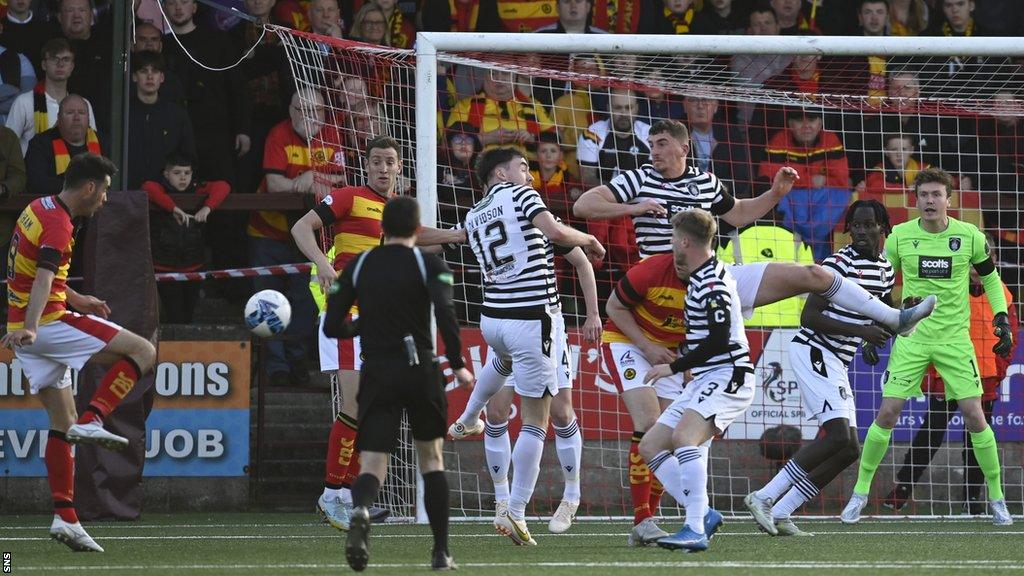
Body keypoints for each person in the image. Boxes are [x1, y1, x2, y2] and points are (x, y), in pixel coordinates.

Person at [572, 119, 935, 338]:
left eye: (662, 144)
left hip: (714, 277)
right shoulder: (639, 179)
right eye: (651, 144)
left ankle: (893, 318)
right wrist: (634, 207)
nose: (654, 151)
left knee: (813, 273)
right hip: (665, 280)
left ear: (684, 147)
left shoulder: (705, 182)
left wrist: (776, 192)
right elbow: (583, 205)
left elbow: (740, 215)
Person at [291, 135, 464, 531]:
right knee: (354, 405)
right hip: (346, 313)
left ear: (400, 167)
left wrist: (458, 235)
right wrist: (321, 262)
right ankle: (332, 495)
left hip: (376, 321)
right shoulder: (350, 197)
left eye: (390, 161)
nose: (383, 168)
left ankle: (348, 496)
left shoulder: (397, 214)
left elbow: (419, 237)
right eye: (377, 161)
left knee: (369, 408)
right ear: (367, 166)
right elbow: (302, 228)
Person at [841, 167, 1015, 527]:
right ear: (915, 200)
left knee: (974, 416)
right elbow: (878, 282)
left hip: (954, 341)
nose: (930, 201)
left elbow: (992, 281)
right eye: (924, 195)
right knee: (886, 414)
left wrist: (1001, 318)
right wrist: (873, 325)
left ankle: (997, 499)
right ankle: (859, 494)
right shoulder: (900, 237)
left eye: (937, 195)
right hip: (912, 339)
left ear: (948, 200)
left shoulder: (969, 237)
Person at [2, 153, 157, 552]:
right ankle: (97, 417)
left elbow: (37, 269)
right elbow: (42, 278)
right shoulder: (60, 222)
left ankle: (65, 517)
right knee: (143, 351)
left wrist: (76, 297)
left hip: (22, 326)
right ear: (89, 188)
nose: (105, 200)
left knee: (61, 423)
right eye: (104, 191)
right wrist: (36, 326)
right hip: (46, 326)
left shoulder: (39, 208)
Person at [447, 154, 601, 534]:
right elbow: (564, 237)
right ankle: (510, 506)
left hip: (496, 319)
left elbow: (578, 262)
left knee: (560, 411)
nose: (529, 175)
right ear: (501, 173)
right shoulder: (525, 201)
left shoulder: (474, 215)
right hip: (532, 321)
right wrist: (590, 235)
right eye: (522, 167)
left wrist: (592, 314)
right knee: (529, 418)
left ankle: (570, 496)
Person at [322, 196, 475, 571]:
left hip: (378, 371)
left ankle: (359, 508)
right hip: (420, 369)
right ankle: (441, 552)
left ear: (382, 228)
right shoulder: (430, 264)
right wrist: (457, 365)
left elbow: (332, 326)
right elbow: (446, 316)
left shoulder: (359, 265)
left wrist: (361, 326)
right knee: (432, 460)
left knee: (373, 461)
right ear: (416, 229)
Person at [744, 200, 895, 537]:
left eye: (867, 224)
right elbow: (809, 317)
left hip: (837, 359)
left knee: (849, 449)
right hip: (813, 350)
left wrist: (871, 341)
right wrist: (862, 333)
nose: (859, 231)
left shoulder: (886, 269)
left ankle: (782, 512)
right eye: (855, 225)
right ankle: (764, 496)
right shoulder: (837, 263)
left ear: (882, 227)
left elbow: (880, 313)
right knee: (839, 436)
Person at [637, 208, 754, 553]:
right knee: (651, 446)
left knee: (685, 438)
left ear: (685, 240)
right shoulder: (704, 275)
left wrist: (673, 367)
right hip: (705, 378)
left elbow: (720, 339)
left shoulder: (712, 283)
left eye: (674, 238)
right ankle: (703, 513)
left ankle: (694, 528)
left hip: (729, 374)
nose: (672, 245)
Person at [883, 270, 1018, 515]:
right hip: (948, 371)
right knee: (930, 432)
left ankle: (972, 497)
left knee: (976, 438)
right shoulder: (951, 287)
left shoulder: (1002, 293)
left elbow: (1012, 336)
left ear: (993, 262)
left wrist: (998, 370)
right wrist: (934, 368)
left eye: (982, 265)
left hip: (983, 375)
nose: (976, 271)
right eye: (973, 266)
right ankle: (903, 487)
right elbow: (929, 328)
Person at [142, 154, 230, 323]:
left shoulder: (197, 190)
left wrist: (207, 208)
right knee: (174, 315)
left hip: (193, 266)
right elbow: (147, 187)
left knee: (188, 315)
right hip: (164, 267)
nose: (183, 177)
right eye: (177, 173)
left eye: (187, 173)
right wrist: (173, 208)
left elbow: (223, 186)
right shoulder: (159, 189)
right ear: (166, 175)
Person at [5, 38, 98, 154]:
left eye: (66, 59)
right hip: (32, 170)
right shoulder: (24, 102)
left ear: (72, 66)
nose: (60, 64)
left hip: (75, 171)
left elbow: (92, 141)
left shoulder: (84, 105)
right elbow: (5, 147)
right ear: (44, 64)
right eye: (54, 59)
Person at [125, 50, 196, 189]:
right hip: (129, 192)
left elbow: (188, 156)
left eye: (155, 71)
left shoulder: (177, 115)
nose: (150, 76)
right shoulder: (123, 113)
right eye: (144, 71)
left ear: (162, 77)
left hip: (167, 194)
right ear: (134, 77)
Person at [25, 94, 102, 196]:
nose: (76, 118)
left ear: (88, 118)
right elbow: (36, 183)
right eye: (70, 113)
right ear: (58, 118)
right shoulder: (40, 143)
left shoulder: (102, 142)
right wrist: (79, 188)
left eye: (82, 113)